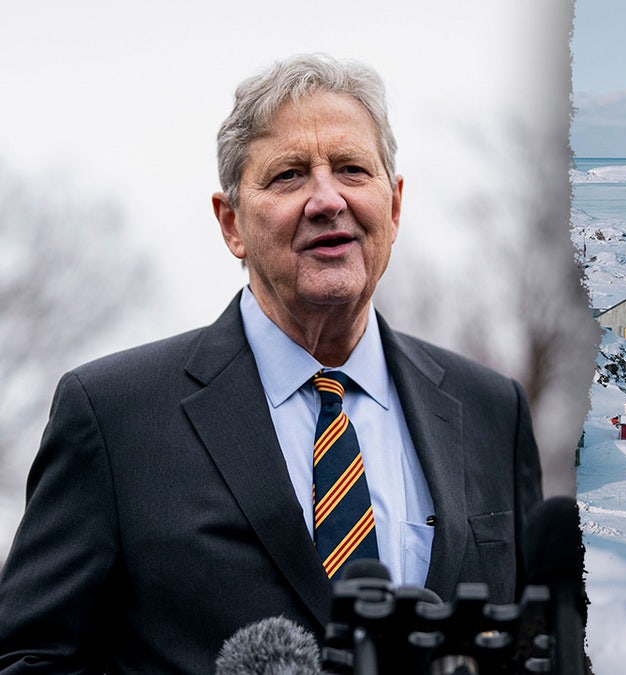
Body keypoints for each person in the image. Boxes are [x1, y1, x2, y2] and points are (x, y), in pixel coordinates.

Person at [0, 54, 543, 673]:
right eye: (288, 175)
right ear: (231, 223)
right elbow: (26, 660)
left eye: (352, 169)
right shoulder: (114, 417)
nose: (327, 200)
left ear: (393, 206)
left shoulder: (493, 410)